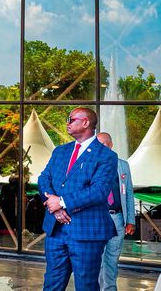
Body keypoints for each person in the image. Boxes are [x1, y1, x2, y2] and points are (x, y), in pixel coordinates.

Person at [38, 107, 117, 291]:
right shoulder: (60, 151)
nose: (67, 123)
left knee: (85, 286)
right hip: (56, 230)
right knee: (51, 284)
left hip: (86, 231)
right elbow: (44, 179)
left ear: (86, 122)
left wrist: (62, 202)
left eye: (71, 119)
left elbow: (99, 190)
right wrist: (55, 207)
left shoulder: (106, 156)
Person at [97, 132, 136, 291]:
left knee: (112, 259)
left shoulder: (123, 165)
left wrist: (131, 220)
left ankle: (110, 288)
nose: (103, 146)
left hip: (117, 218)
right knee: (98, 258)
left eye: (106, 143)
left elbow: (129, 193)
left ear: (111, 145)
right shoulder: (91, 165)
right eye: (99, 144)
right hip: (98, 218)